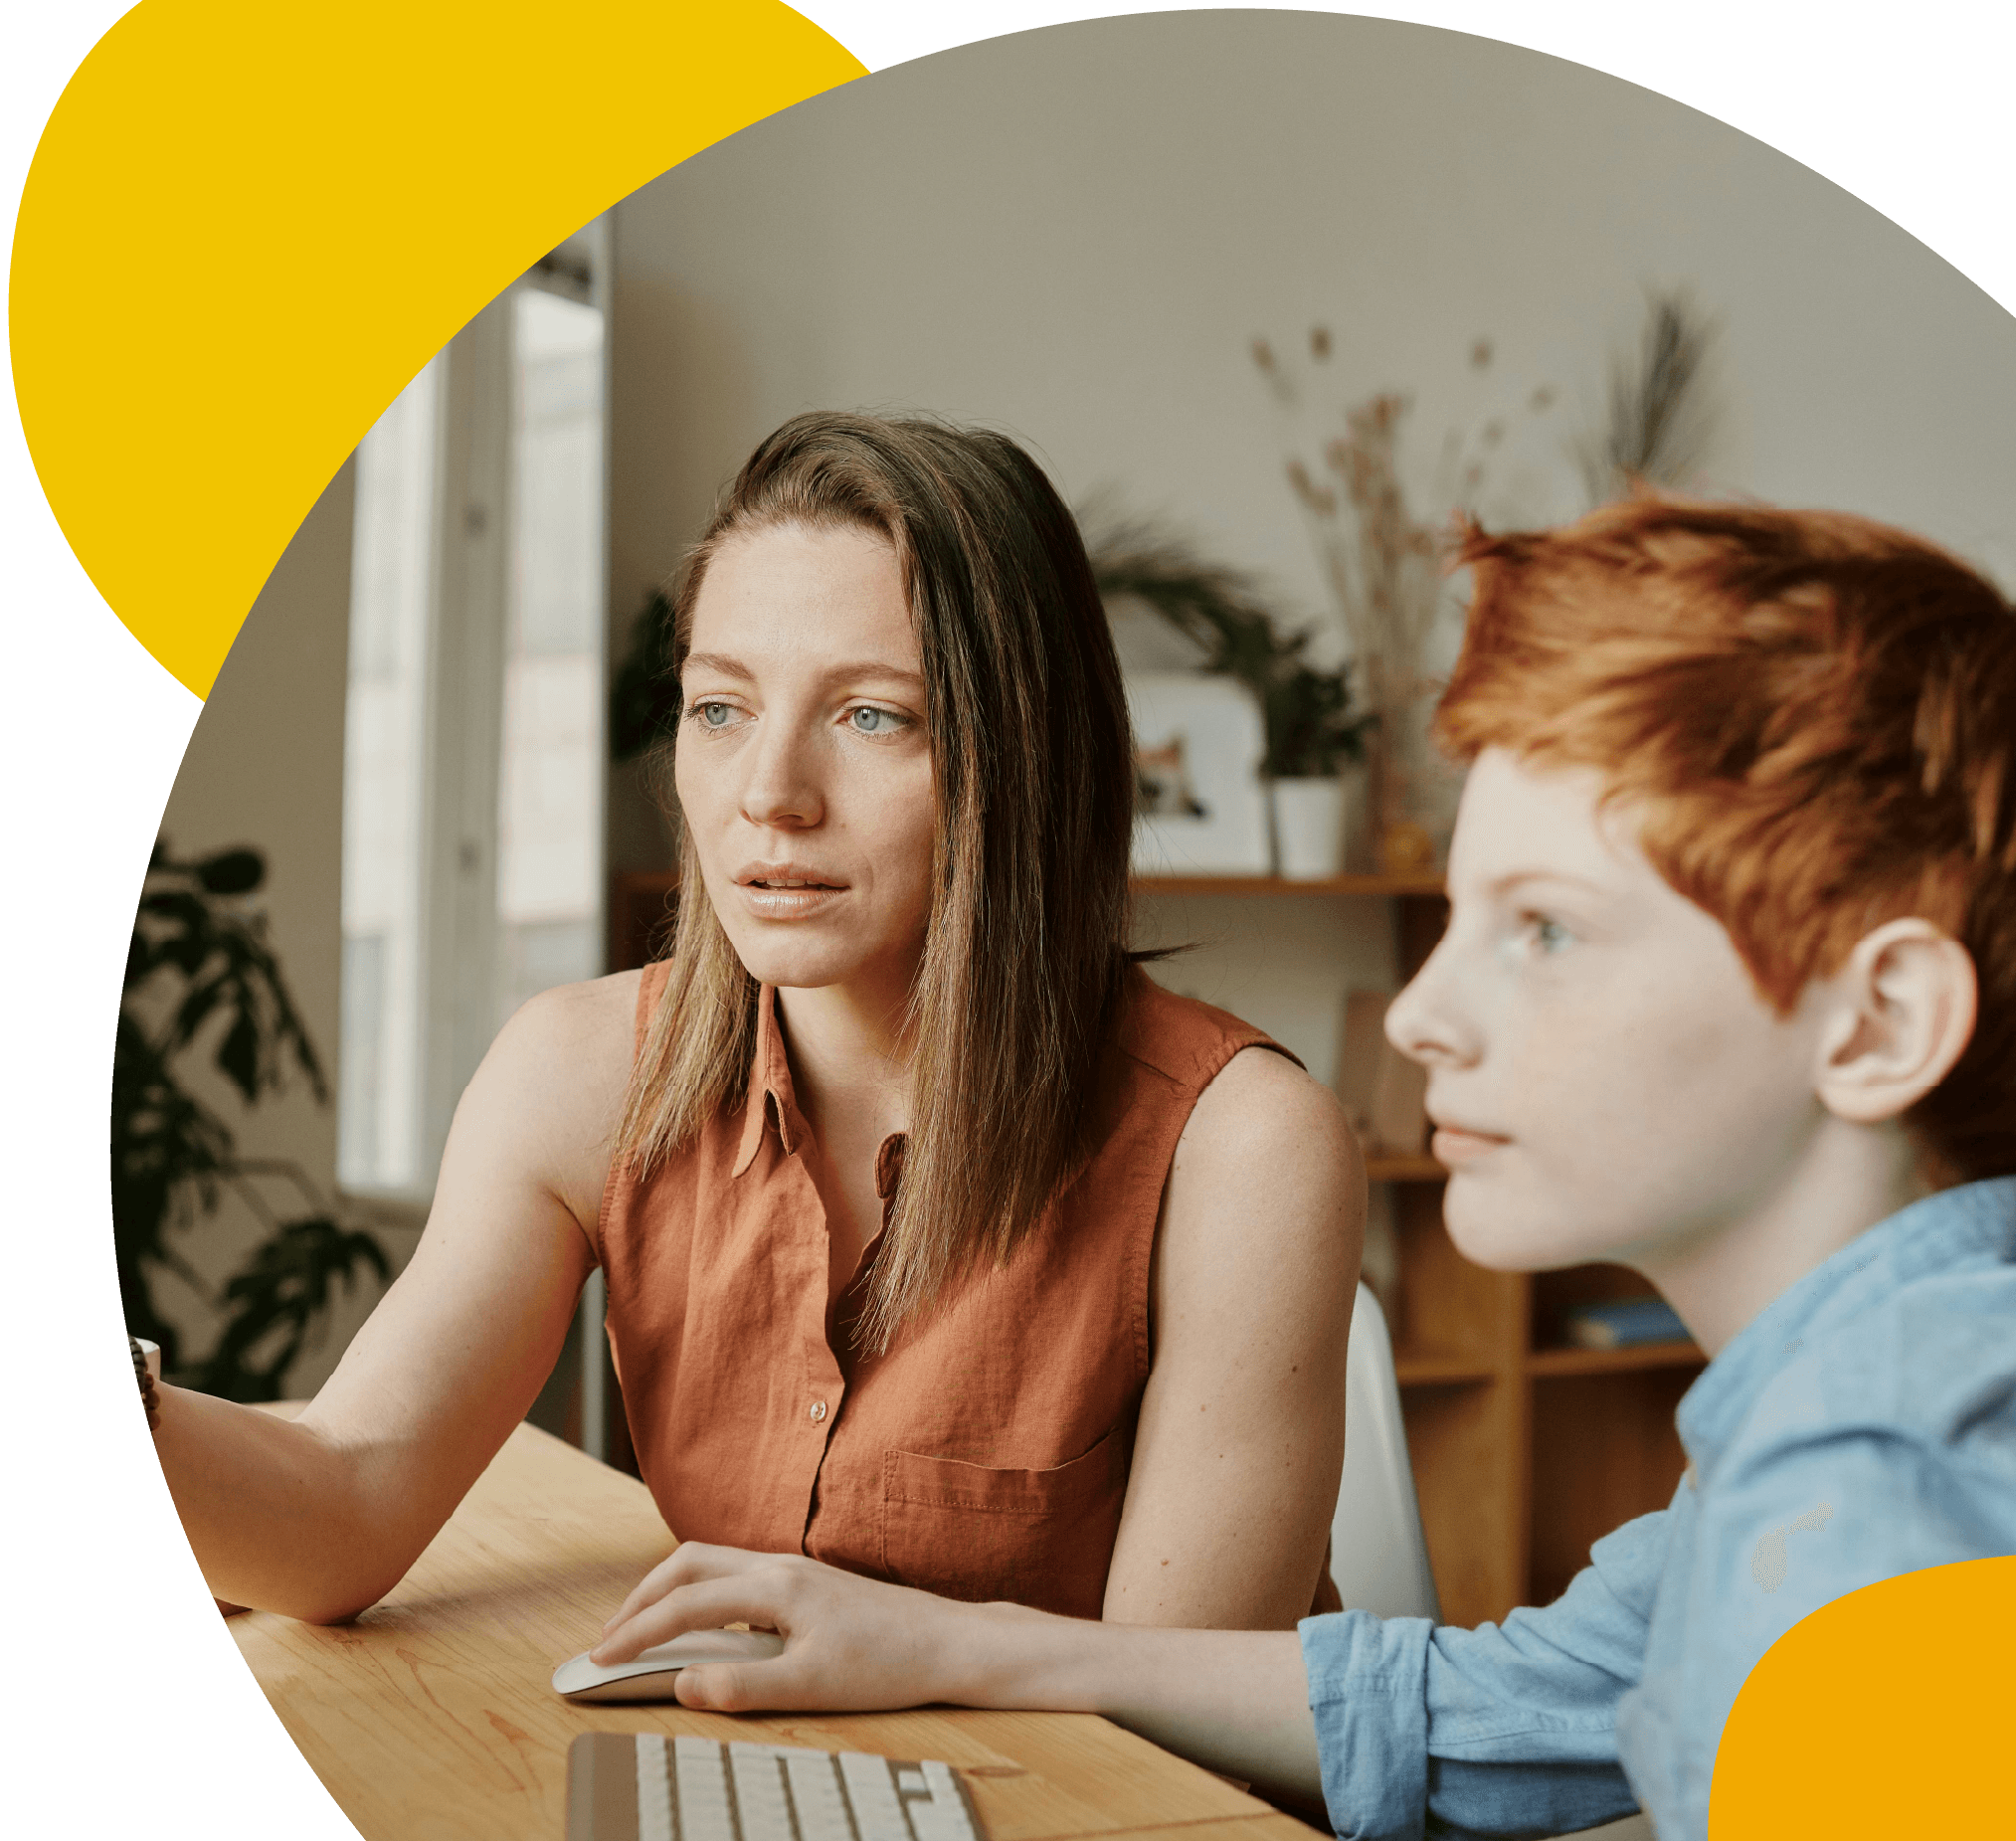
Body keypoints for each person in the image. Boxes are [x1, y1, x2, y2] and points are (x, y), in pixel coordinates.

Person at [582, 496, 2016, 1841]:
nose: (1419, 1016)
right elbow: (1515, 1701)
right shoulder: (1952, 1366)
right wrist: (958, 1647)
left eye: (1541, 932)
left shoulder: (1900, 1467)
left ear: (1874, 1025)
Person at [150, 413, 1364, 1634]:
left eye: (872, 716)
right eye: (720, 709)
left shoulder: (1243, 1148)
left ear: (1026, 762)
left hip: (1146, 1822)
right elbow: (347, 1502)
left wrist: (899, 1654)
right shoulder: (578, 1073)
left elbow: (1181, 1727)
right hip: (801, 1789)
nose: (768, 796)